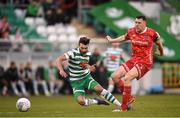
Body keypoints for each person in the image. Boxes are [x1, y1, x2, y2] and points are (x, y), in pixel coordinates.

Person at [106, 15, 164, 112]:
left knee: (127, 77)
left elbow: (159, 44)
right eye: (135, 22)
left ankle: (123, 108)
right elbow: (124, 37)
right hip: (134, 59)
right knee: (114, 76)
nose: (136, 24)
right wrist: (112, 40)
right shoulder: (131, 31)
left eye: (139, 23)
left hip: (145, 62)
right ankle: (129, 97)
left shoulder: (152, 33)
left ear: (144, 23)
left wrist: (161, 52)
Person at [56, 36, 121, 108]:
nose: (84, 50)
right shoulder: (72, 53)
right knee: (81, 102)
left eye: (85, 48)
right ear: (79, 45)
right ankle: (97, 101)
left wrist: (89, 67)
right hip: (76, 81)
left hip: (86, 77)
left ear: (88, 46)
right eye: (82, 48)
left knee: (100, 89)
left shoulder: (88, 54)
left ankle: (120, 105)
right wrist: (61, 70)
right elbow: (59, 59)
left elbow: (83, 64)